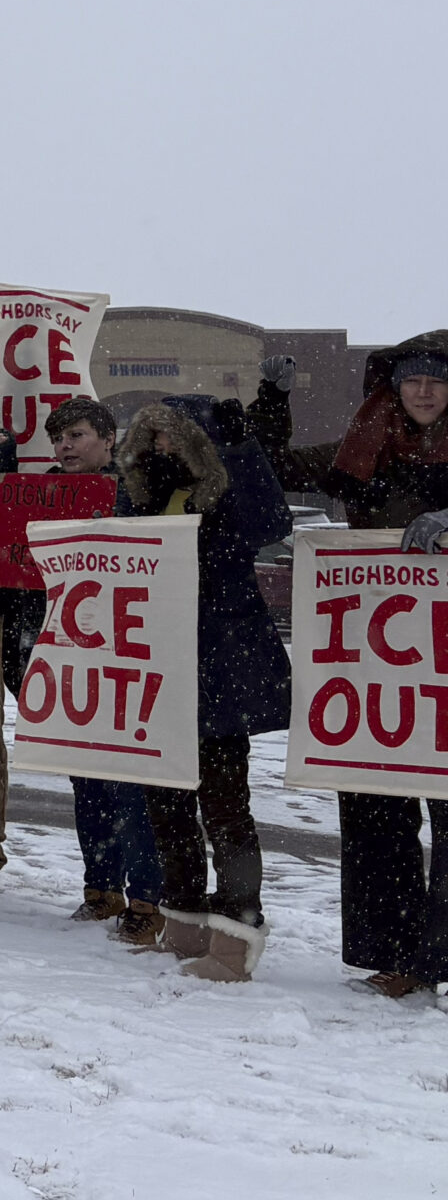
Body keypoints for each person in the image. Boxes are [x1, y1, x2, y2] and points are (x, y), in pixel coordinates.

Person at [262, 332, 448, 998]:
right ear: (393, 387)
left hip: (444, 668)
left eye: (438, 379)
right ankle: (398, 956)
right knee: (377, 804)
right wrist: (270, 400)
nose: (425, 390)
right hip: (379, 663)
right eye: (413, 379)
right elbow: (273, 464)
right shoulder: (359, 450)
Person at [0, 402, 163, 932]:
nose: (65, 446)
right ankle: (103, 888)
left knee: (129, 782)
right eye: (58, 437)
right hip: (53, 652)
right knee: (85, 778)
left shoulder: (136, 492)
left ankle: (148, 901)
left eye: (78, 435)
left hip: (120, 657)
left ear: (109, 440)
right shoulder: (33, 495)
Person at [117, 395, 291, 981]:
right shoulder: (142, 494)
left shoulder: (226, 492)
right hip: (159, 667)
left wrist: (242, 449)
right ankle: (184, 925)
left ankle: (235, 939)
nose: (163, 448)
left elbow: (271, 523)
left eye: (174, 436)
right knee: (166, 806)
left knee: (225, 811)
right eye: (155, 437)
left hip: (220, 670)